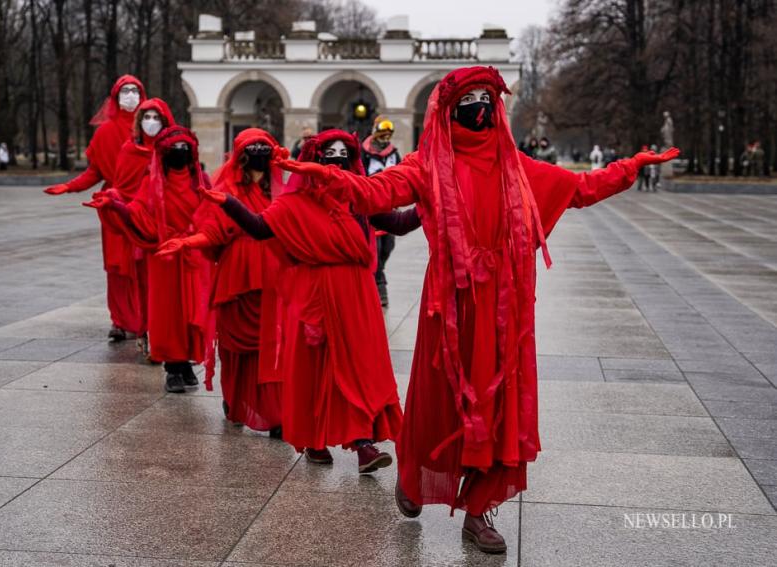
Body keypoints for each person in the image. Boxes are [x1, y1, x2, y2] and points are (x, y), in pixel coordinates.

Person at [273, 66, 679, 554]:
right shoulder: (429, 164)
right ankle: (414, 474)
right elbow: (373, 193)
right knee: (438, 398)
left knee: (499, 406)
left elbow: (580, 189)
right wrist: (320, 173)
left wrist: (630, 167)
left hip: (504, 311)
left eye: (488, 97)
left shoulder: (517, 165)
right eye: (471, 98)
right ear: (451, 108)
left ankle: (478, 511)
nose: (481, 106)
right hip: (449, 307)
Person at [204, 129, 416, 475]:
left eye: (343, 153)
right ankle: (317, 441)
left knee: (360, 367)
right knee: (318, 370)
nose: (337, 160)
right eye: (329, 154)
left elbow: (400, 223)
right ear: (313, 162)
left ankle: (363, 442)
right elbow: (260, 228)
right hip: (315, 295)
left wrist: (434, 201)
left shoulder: (358, 198)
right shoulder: (293, 203)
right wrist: (229, 202)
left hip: (358, 295)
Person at [156, 128, 285, 437]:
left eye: (263, 147)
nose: (258, 153)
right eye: (252, 147)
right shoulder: (226, 187)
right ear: (240, 154)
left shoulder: (281, 189)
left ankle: (274, 412)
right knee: (235, 348)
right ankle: (236, 401)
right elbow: (213, 229)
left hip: (273, 278)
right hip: (236, 276)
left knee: (272, 347)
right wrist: (190, 243)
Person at [84, 126, 211, 393]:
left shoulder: (202, 182)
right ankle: (172, 368)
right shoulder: (152, 183)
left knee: (193, 313)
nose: (179, 153)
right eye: (174, 149)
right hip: (164, 258)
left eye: (184, 149)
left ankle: (186, 363)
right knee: (168, 315)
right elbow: (138, 212)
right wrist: (114, 204)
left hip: (193, 258)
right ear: (163, 154)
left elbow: (214, 212)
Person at [44, 75, 147, 342]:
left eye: (135, 90)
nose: (131, 95)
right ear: (115, 96)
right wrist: (69, 187)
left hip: (145, 206)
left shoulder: (149, 128)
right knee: (117, 267)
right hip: (113, 207)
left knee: (143, 265)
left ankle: (146, 318)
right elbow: (95, 172)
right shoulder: (105, 132)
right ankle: (120, 320)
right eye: (125, 91)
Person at [110, 97, 176, 358]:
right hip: (141, 226)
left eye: (156, 117)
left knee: (168, 288)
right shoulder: (129, 150)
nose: (151, 123)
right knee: (144, 283)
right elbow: (123, 186)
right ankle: (145, 331)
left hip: (170, 229)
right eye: (146, 117)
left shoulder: (173, 149)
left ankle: (164, 334)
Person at [361, 116, 405, 307]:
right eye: (383, 135)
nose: (386, 139)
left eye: (389, 135)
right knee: (375, 250)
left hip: (390, 206)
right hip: (371, 207)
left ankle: (378, 275)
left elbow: (403, 175)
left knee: (387, 247)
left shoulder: (394, 154)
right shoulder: (364, 153)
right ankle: (380, 286)